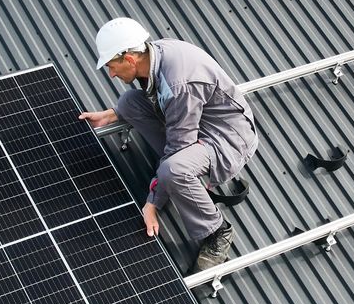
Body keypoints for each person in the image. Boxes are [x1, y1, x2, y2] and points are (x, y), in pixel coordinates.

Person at [79, 18, 259, 274]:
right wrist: (113, 114)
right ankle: (176, 172)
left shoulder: (179, 84)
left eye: (112, 67)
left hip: (226, 139)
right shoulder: (155, 54)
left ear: (129, 59)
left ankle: (217, 231)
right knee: (129, 102)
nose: (112, 74)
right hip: (195, 121)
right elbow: (158, 101)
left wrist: (153, 202)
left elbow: (179, 147)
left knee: (173, 170)